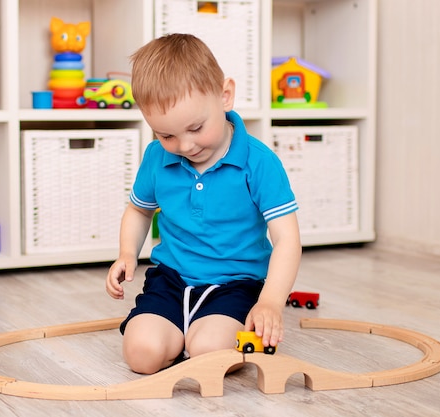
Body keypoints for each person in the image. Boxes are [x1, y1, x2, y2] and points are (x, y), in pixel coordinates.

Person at [105, 33, 301, 375]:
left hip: (235, 284)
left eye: (196, 128)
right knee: (141, 354)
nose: (185, 145)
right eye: (166, 135)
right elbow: (139, 209)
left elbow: (287, 239)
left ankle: (198, 335)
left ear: (224, 96)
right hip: (171, 279)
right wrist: (126, 253)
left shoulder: (258, 162)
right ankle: (178, 334)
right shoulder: (156, 158)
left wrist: (270, 302)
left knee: (209, 352)